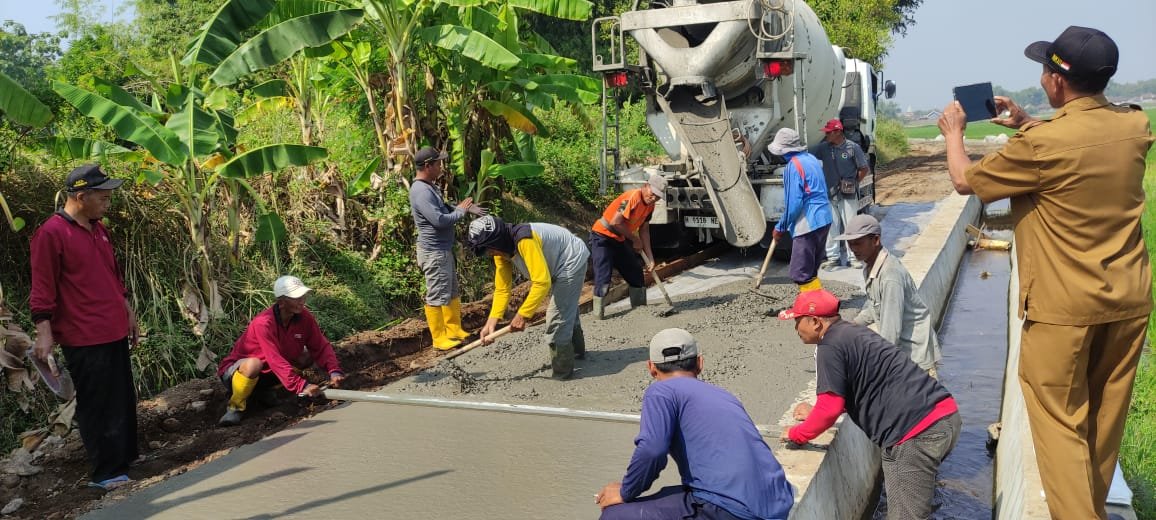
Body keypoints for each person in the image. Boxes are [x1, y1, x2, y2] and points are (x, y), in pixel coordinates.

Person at [936, 26, 1152, 520]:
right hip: (1128, 303)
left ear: (1057, 81)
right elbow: (1076, 144)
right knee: (1103, 426)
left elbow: (965, 181)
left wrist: (954, 135)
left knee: (1059, 428)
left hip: (1064, 311)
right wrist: (1030, 122)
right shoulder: (1135, 126)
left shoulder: (1041, 147)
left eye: (1045, 69)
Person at [779, 290, 960, 520]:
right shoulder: (852, 333)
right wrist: (815, 413)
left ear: (815, 322)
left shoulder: (829, 346)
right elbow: (864, 386)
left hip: (918, 433)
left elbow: (830, 408)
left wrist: (797, 434)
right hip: (943, 416)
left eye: (797, 321)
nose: (795, 328)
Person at [595, 328, 794, 519]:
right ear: (700, 363)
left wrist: (625, 491)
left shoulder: (660, 392)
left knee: (615, 514)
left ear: (651, 368)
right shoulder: (724, 396)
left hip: (733, 510)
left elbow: (652, 450)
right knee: (665, 495)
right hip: (776, 502)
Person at [30, 164, 139, 491]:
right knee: (96, 402)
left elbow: (112, 277)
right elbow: (42, 287)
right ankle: (105, 472)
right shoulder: (51, 233)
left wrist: (128, 312)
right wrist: (44, 332)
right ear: (81, 196)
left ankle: (125, 458)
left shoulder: (98, 228)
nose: (108, 203)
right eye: (103, 197)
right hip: (83, 335)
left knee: (121, 397)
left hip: (113, 327)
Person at [466, 216, 590, 380]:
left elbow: (541, 282)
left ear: (497, 241)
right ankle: (576, 353)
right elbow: (502, 289)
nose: (490, 254)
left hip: (570, 260)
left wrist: (522, 315)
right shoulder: (500, 252)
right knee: (566, 309)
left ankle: (563, 374)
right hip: (553, 262)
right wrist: (491, 322)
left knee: (557, 318)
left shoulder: (524, 240)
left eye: (488, 249)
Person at [217, 275, 345, 426]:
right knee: (254, 364)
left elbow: (320, 345)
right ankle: (235, 407)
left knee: (306, 356)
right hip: (238, 374)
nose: (302, 301)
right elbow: (274, 359)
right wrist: (302, 386)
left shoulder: (305, 318)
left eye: (303, 296)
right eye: (296, 297)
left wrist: (334, 370)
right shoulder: (263, 323)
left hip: (268, 372)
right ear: (281, 302)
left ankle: (265, 391)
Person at [836, 214, 941, 376]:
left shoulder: (890, 276)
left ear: (876, 240)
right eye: (850, 244)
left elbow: (891, 330)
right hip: (904, 355)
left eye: (858, 243)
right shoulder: (870, 267)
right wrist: (851, 325)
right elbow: (874, 306)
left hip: (916, 357)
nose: (853, 249)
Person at [409, 146, 485, 350]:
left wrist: (464, 208)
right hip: (433, 251)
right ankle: (439, 338)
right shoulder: (421, 191)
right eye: (438, 163)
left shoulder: (429, 186)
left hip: (442, 249)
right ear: (428, 166)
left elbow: (443, 207)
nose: (441, 166)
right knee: (436, 294)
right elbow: (439, 220)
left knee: (450, 291)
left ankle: (454, 329)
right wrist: (460, 212)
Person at [589, 172, 666, 319]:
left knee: (635, 272)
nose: (654, 198)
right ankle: (598, 316)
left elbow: (644, 230)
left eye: (658, 196)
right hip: (602, 237)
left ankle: (640, 309)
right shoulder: (630, 197)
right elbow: (615, 222)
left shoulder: (650, 206)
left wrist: (650, 257)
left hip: (620, 238)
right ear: (646, 186)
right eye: (653, 193)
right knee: (604, 278)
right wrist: (633, 238)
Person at [768, 128, 832, 293]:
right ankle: (815, 304)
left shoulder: (793, 166)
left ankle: (810, 306)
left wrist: (780, 227)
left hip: (808, 222)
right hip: (824, 218)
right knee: (811, 269)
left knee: (800, 272)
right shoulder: (811, 158)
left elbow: (793, 204)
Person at [812, 118, 869, 270]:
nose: (827, 135)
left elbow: (864, 168)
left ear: (838, 132)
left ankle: (853, 257)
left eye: (829, 133)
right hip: (829, 194)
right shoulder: (823, 148)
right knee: (831, 226)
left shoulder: (852, 148)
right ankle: (833, 257)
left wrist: (854, 182)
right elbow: (808, 156)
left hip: (848, 195)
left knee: (851, 226)